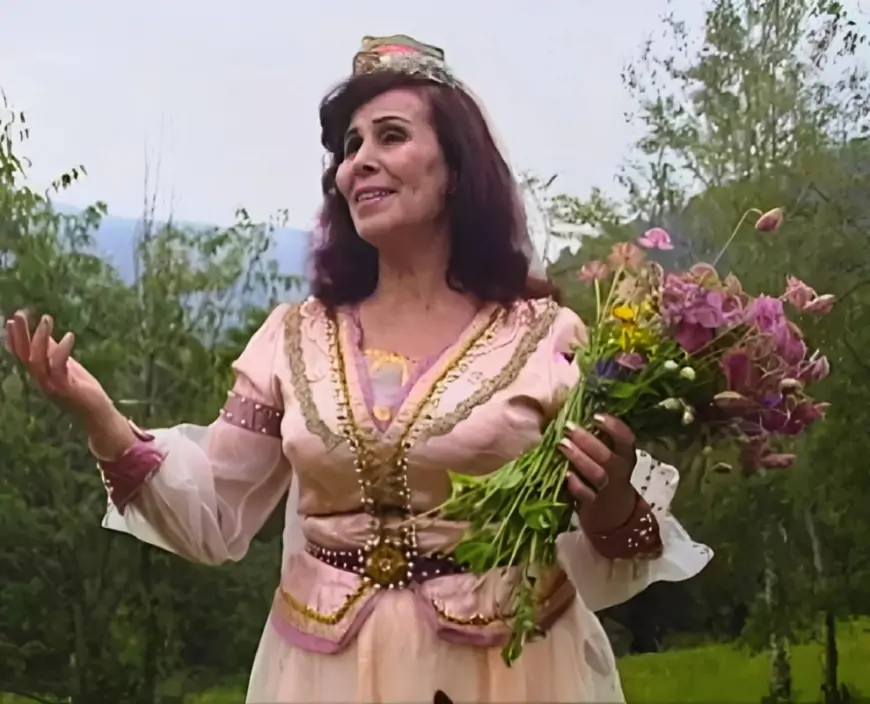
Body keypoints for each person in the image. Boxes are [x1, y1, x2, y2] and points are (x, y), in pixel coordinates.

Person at [4, 34, 712, 704]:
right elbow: (214, 515)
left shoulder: (546, 339)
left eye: (391, 136)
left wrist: (610, 494)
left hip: (509, 672)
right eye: (350, 146)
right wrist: (99, 417)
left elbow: (616, 548)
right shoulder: (293, 340)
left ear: (456, 168)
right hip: (324, 674)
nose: (359, 162)